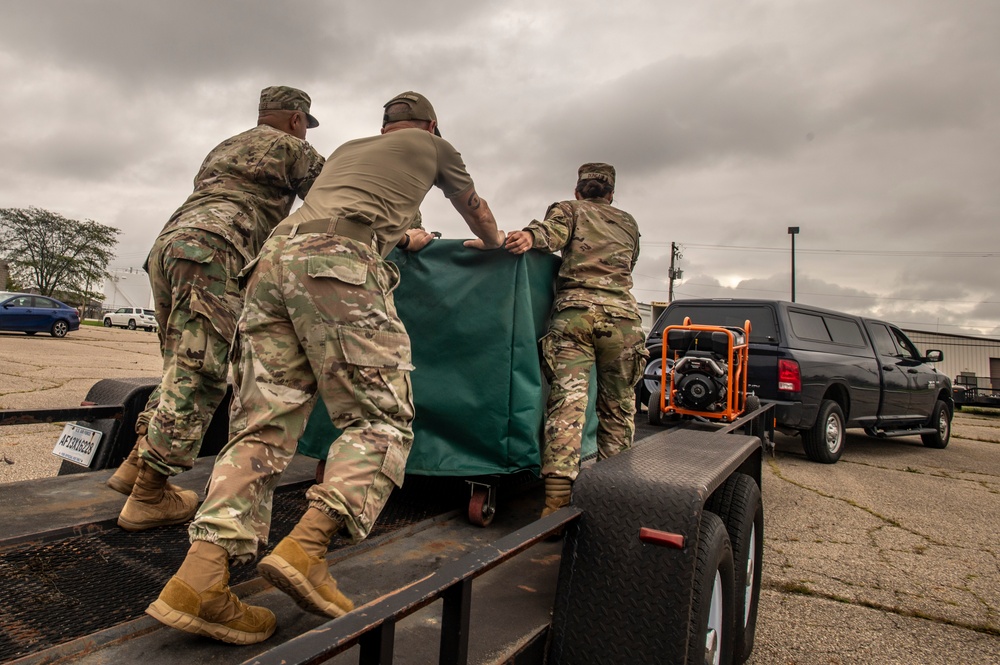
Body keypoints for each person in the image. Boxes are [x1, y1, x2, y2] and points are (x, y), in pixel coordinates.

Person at [146, 91, 504, 644]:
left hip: (269, 265)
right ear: (430, 125)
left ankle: (199, 581)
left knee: (260, 427)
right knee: (380, 420)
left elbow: (338, 206)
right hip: (337, 264)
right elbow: (473, 206)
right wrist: (496, 243)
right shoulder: (435, 146)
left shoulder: (345, 150)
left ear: (383, 127)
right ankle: (308, 548)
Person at [109, 87, 326, 533]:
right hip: (216, 250)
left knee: (178, 366)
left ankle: (134, 464)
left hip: (169, 245)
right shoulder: (293, 148)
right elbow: (336, 195)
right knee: (202, 373)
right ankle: (149, 494)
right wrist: (408, 231)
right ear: (296, 119)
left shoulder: (224, 146)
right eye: (305, 122)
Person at [505, 163, 648, 517]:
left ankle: (555, 505)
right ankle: (614, 502)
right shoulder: (629, 223)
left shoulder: (569, 209)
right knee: (618, 408)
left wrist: (528, 237)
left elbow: (549, 234)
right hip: (623, 324)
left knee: (567, 407)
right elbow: (629, 261)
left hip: (575, 317)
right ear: (611, 194)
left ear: (577, 189)